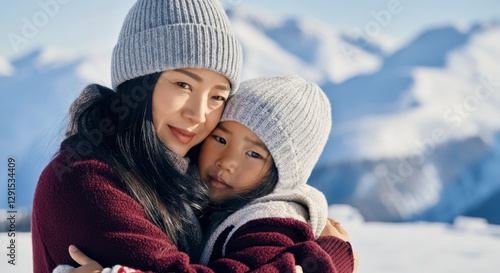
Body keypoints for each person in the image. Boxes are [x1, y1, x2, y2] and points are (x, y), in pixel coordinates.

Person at [61, 76, 357, 273]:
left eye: (253, 154)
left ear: (284, 174)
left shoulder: (272, 221)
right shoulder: (213, 199)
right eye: (220, 139)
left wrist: (328, 260)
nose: (227, 162)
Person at [32, 0, 243, 272]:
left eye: (217, 97)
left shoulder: (189, 177)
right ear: (138, 82)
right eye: (183, 84)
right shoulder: (82, 179)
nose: (199, 114)